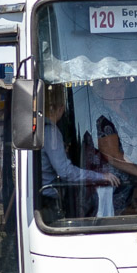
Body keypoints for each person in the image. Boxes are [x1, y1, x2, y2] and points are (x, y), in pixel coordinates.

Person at [40, 87, 117, 217]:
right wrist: (101, 177)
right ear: (62, 108)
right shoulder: (50, 132)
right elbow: (66, 172)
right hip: (47, 201)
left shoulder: (41, 130)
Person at [92, 78, 137, 214]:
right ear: (101, 92)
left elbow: (132, 147)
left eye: (121, 87)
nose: (119, 92)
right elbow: (114, 157)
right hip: (114, 186)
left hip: (132, 182)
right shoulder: (102, 117)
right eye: (113, 89)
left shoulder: (126, 110)